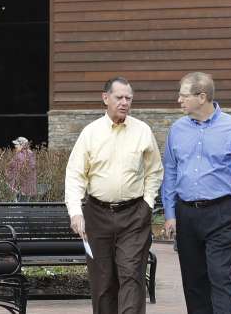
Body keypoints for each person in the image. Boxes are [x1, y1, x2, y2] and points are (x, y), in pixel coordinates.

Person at [161, 72, 231, 314]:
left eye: (183, 95)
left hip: (222, 213)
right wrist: (170, 213)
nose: (179, 100)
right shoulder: (177, 130)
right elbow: (170, 173)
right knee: (193, 282)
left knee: (220, 277)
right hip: (186, 214)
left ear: (202, 97)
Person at [65, 76, 164, 314]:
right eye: (119, 97)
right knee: (103, 281)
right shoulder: (90, 133)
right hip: (97, 215)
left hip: (134, 215)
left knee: (132, 275)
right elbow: (75, 175)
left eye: (128, 98)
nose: (124, 102)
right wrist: (76, 212)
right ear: (105, 98)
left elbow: (155, 171)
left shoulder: (142, 131)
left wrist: (148, 203)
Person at [6, 136, 37, 200]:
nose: (15, 146)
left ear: (22, 145)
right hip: (23, 185)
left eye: (17, 145)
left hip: (23, 185)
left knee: (21, 203)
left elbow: (19, 168)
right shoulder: (25, 154)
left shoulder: (24, 155)